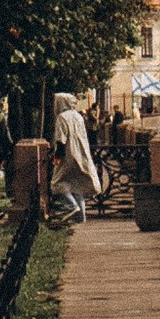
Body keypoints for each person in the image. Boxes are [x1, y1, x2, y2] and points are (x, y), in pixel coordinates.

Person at [49, 92, 100, 225]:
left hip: (68, 154)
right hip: (81, 154)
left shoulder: (62, 117)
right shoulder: (78, 116)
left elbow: (61, 140)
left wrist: (57, 158)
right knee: (77, 187)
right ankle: (81, 218)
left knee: (57, 183)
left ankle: (72, 207)